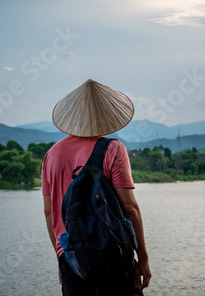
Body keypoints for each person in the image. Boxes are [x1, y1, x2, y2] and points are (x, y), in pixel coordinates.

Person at [42, 79, 151, 295]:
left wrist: (61, 256)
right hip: (111, 256)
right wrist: (143, 258)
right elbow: (129, 209)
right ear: (105, 116)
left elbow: (49, 212)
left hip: (71, 259)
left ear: (72, 118)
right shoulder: (112, 149)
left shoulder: (51, 155)